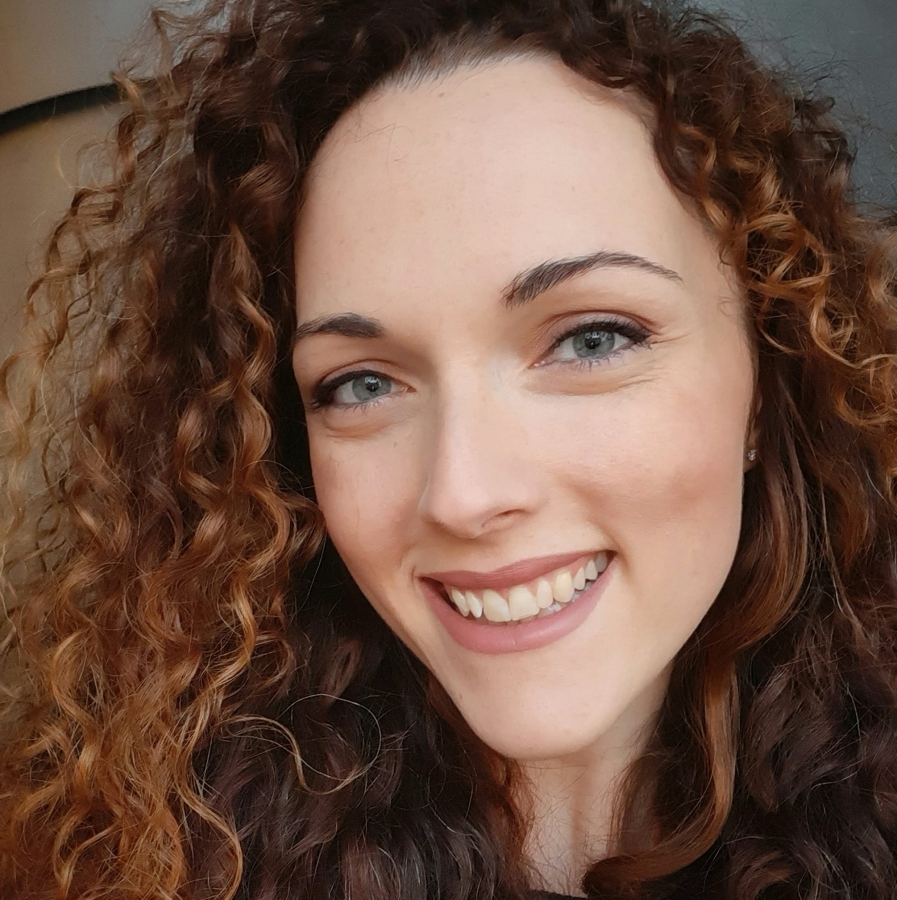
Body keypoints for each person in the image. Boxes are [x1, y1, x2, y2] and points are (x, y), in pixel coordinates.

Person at [1, 0, 896, 898]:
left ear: (767, 374)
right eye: (363, 384)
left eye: (590, 339)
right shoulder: (129, 863)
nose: (463, 494)